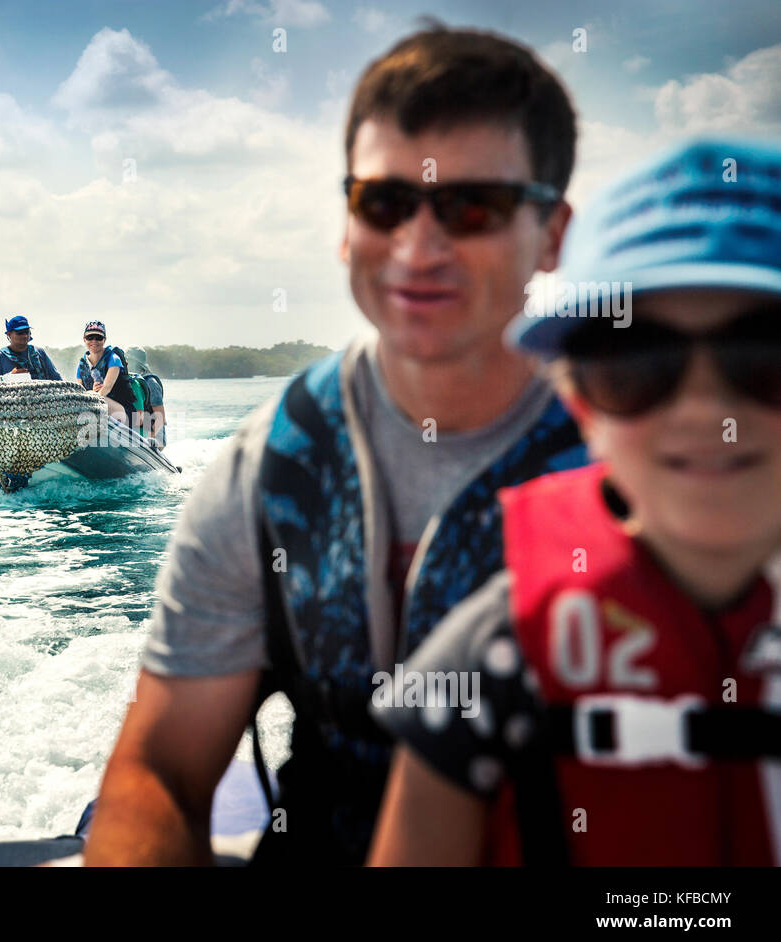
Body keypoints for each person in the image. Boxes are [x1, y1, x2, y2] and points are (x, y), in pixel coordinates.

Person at [83, 25, 587, 866]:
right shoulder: (276, 467)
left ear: (553, 231)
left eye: (472, 206)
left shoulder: (644, 461)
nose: (419, 248)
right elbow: (164, 771)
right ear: (347, 223)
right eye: (385, 204)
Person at [368, 136, 781, 866]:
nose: (702, 407)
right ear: (580, 404)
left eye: (767, 353)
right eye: (633, 362)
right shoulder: (490, 661)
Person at [76, 320, 136, 427]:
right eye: (90, 337)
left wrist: (92, 395)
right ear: (84, 339)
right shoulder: (82, 365)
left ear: (104, 340)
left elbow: (106, 388)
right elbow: (80, 392)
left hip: (122, 412)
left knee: (102, 401)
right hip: (93, 407)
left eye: (98, 337)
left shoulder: (114, 359)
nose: (94, 341)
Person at [0, 314, 63, 380]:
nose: (24, 336)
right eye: (20, 333)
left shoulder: (39, 353)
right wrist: (9, 377)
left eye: (27, 332)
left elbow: (56, 379)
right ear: (9, 334)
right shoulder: (0, 357)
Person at [126, 345, 167, 447]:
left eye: (128, 360)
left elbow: (160, 416)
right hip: (139, 430)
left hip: (155, 434)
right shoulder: (130, 381)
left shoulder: (151, 383)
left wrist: (150, 437)